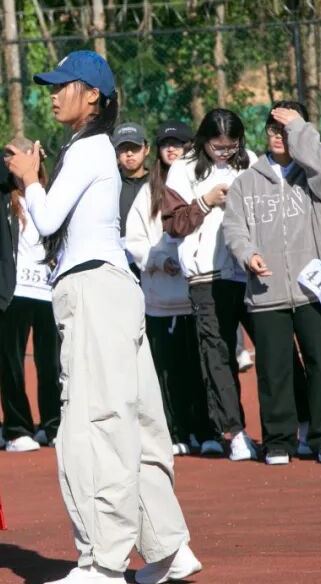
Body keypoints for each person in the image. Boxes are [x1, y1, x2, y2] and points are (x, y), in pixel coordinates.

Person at [6, 50, 198, 584]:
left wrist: (30, 179)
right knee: (135, 420)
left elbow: (47, 220)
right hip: (114, 289)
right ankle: (167, 548)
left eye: (62, 85)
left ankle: (102, 563)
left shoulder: (88, 148)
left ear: (92, 95)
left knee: (92, 425)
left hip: (93, 290)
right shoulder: (93, 149)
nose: (52, 94)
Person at [222, 101, 321, 465]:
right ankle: (279, 440)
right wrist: (248, 254)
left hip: (313, 291)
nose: (280, 136)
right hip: (267, 291)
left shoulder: (313, 175)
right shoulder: (247, 182)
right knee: (274, 370)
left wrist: (299, 128)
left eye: (286, 129)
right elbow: (234, 228)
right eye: (274, 129)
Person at [163, 108, 258, 461]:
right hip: (206, 276)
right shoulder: (183, 169)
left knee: (273, 348)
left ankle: (288, 430)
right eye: (217, 147)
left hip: (250, 271)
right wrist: (205, 201)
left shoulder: (251, 162)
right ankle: (235, 432)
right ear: (203, 141)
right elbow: (173, 224)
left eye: (231, 146)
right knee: (217, 355)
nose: (224, 153)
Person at [126, 121, 209, 456]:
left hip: (198, 296)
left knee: (201, 369)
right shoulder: (148, 193)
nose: (172, 149)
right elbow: (134, 241)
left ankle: (207, 430)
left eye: (180, 144)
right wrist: (160, 259)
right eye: (166, 144)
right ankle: (176, 431)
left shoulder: (203, 186)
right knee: (167, 372)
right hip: (161, 301)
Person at [0, 138, 60, 453]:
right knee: (11, 363)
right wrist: (15, 154)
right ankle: (17, 429)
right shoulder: (2, 196)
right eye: (12, 159)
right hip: (14, 292)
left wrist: (37, 160)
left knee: (51, 365)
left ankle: (52, 425)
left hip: (48, 292)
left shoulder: (49, 196)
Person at [113, 122, 151, 238]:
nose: (129, 153)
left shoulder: (159, 183)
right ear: (116, 152)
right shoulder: (109, 185)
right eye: (123, 148)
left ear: (147, 149)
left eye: (135, 147)